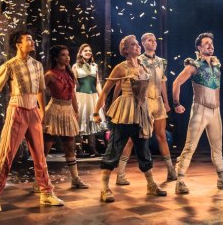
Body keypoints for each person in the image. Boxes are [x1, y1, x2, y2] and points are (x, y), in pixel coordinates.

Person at [0, 30, 65, 212]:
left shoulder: (37, 65)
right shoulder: (9, 65)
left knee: (39, 155)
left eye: (32, 38)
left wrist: (42, 111)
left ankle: (46, 193)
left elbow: (39, 90)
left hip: (33, 112)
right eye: (28, 39)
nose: (32, 41)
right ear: (18, 44)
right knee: (6, 154)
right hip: (17, 110)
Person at [94, 34, 167, 202]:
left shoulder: (143, 66)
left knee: (144, 149)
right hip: (125, 111)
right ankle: (104, 188)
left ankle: (151, 184)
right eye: (133, 45)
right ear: (125, 50)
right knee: (114, 149)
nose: (137, 47)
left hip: (141, 111)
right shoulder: (121, 67)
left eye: (137, 44)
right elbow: (105, 91)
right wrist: (97, 112)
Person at [172, 32, 223, 194]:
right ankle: (180, 180)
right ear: (199, 48)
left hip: (216, 111)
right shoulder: (194, 65)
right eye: (206, 43)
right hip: (200, 109)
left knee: (217, 146)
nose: (210, 45)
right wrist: (176, 103)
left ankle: (221, 177)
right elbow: (176, 82)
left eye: (211, 43)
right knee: (190, 146)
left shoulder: (216, 64)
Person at [116, 33, 178, 187]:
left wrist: (166, 101)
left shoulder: (160, 61)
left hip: (157, 102)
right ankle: (120, 173)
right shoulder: (138, 60)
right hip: (143, 103)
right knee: (132, 138)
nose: (154, 42)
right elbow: (123, 81)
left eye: (155, 40)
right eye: (150, 40)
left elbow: (163, 81)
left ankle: (171, 170)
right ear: (143, 43)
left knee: (162, 136)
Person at [42, 45, 87, 189]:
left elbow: (73, 93)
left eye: (68, 54)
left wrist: (76, 110)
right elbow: (38, 92)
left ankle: (75, 178)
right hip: (54, 110)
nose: (67, 57)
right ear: (56, 58)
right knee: (45, 149)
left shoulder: (70, 73)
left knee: (70, 147)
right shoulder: (50, 74)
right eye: (63, 55)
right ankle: (40, 181)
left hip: (67, 110)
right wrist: (41, 111)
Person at [73, 43, 105, 156]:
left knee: (92, 121)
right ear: (80, 53)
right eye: (85, 50)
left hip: (93, 97)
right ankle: (78, 149)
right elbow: (73, 84)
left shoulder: (94, 66)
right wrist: (72, 99)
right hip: (81, 96)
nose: (88, 52)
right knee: (80, 121)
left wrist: (101, 98)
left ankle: (92, 148)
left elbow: (97, 83)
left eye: (89, 50)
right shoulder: (76, 66)